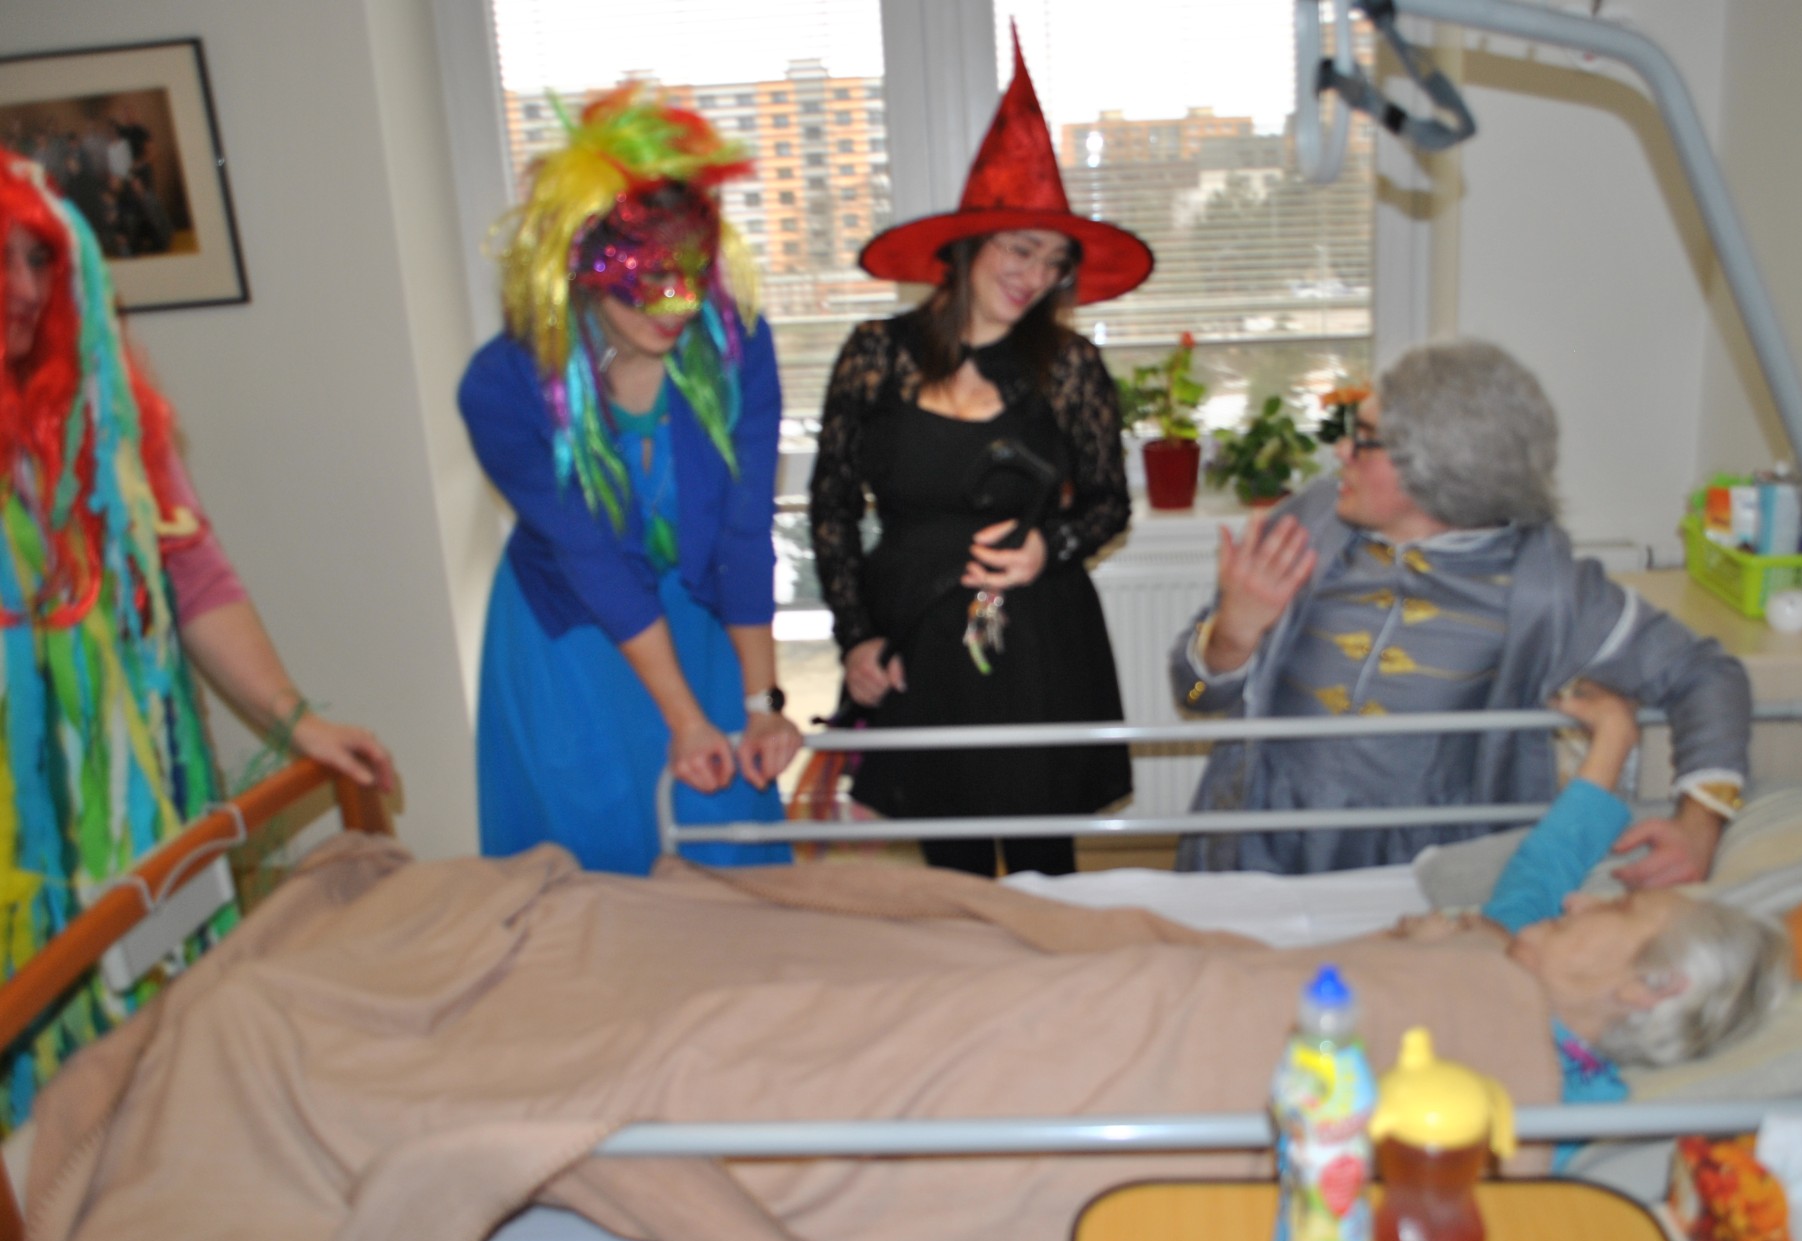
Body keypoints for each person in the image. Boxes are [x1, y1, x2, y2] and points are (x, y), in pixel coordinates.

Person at [2, 148, 396, 1125]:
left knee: (158, 1046)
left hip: (135, 797)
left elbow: (194, 576)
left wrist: (299, 722)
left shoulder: (103, 417)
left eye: (39, 260)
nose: (23, 289)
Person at [1171, 337, 1753, 884]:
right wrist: (1232, 637)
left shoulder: (1545, 590)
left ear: (1438, 467)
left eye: (1365, 438)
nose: (1341, 451)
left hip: (1420, 875)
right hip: (1254, 846)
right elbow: (1192, 696)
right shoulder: (1304, 529)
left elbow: (1705, 673)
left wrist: (1701, 822)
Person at [809, 35, 1150, 879]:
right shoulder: (875, 353)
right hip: (915, 630)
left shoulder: (1069, 366)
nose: (1036, 275)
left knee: (1042, 856)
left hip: (1035, 634)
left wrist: (1046, 549)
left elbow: (1108, 502)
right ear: (970, 244)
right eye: (1020, 249)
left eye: (1054, 261)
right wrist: (856, 636)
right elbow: (832, 508)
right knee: (948, 855)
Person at [458, 86, 800, 875]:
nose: (677, 304)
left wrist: (760, 704)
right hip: (573, 636)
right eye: (646, 281)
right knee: (599, 858)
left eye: (692, 274)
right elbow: (591, 556)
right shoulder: (505, 386)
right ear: (579, 268)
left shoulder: (738, 348)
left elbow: (745, 532)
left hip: (701, 622)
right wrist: (682, 718)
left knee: (728, 851)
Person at [1388, 680, 1791, 1111]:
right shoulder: (1513, 940)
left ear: (1645, 986)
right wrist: (1614, 738)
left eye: (1620, 907)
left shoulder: (1563, 1092)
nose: (1576, 901)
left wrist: (1428, 966)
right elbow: (1547, 863)